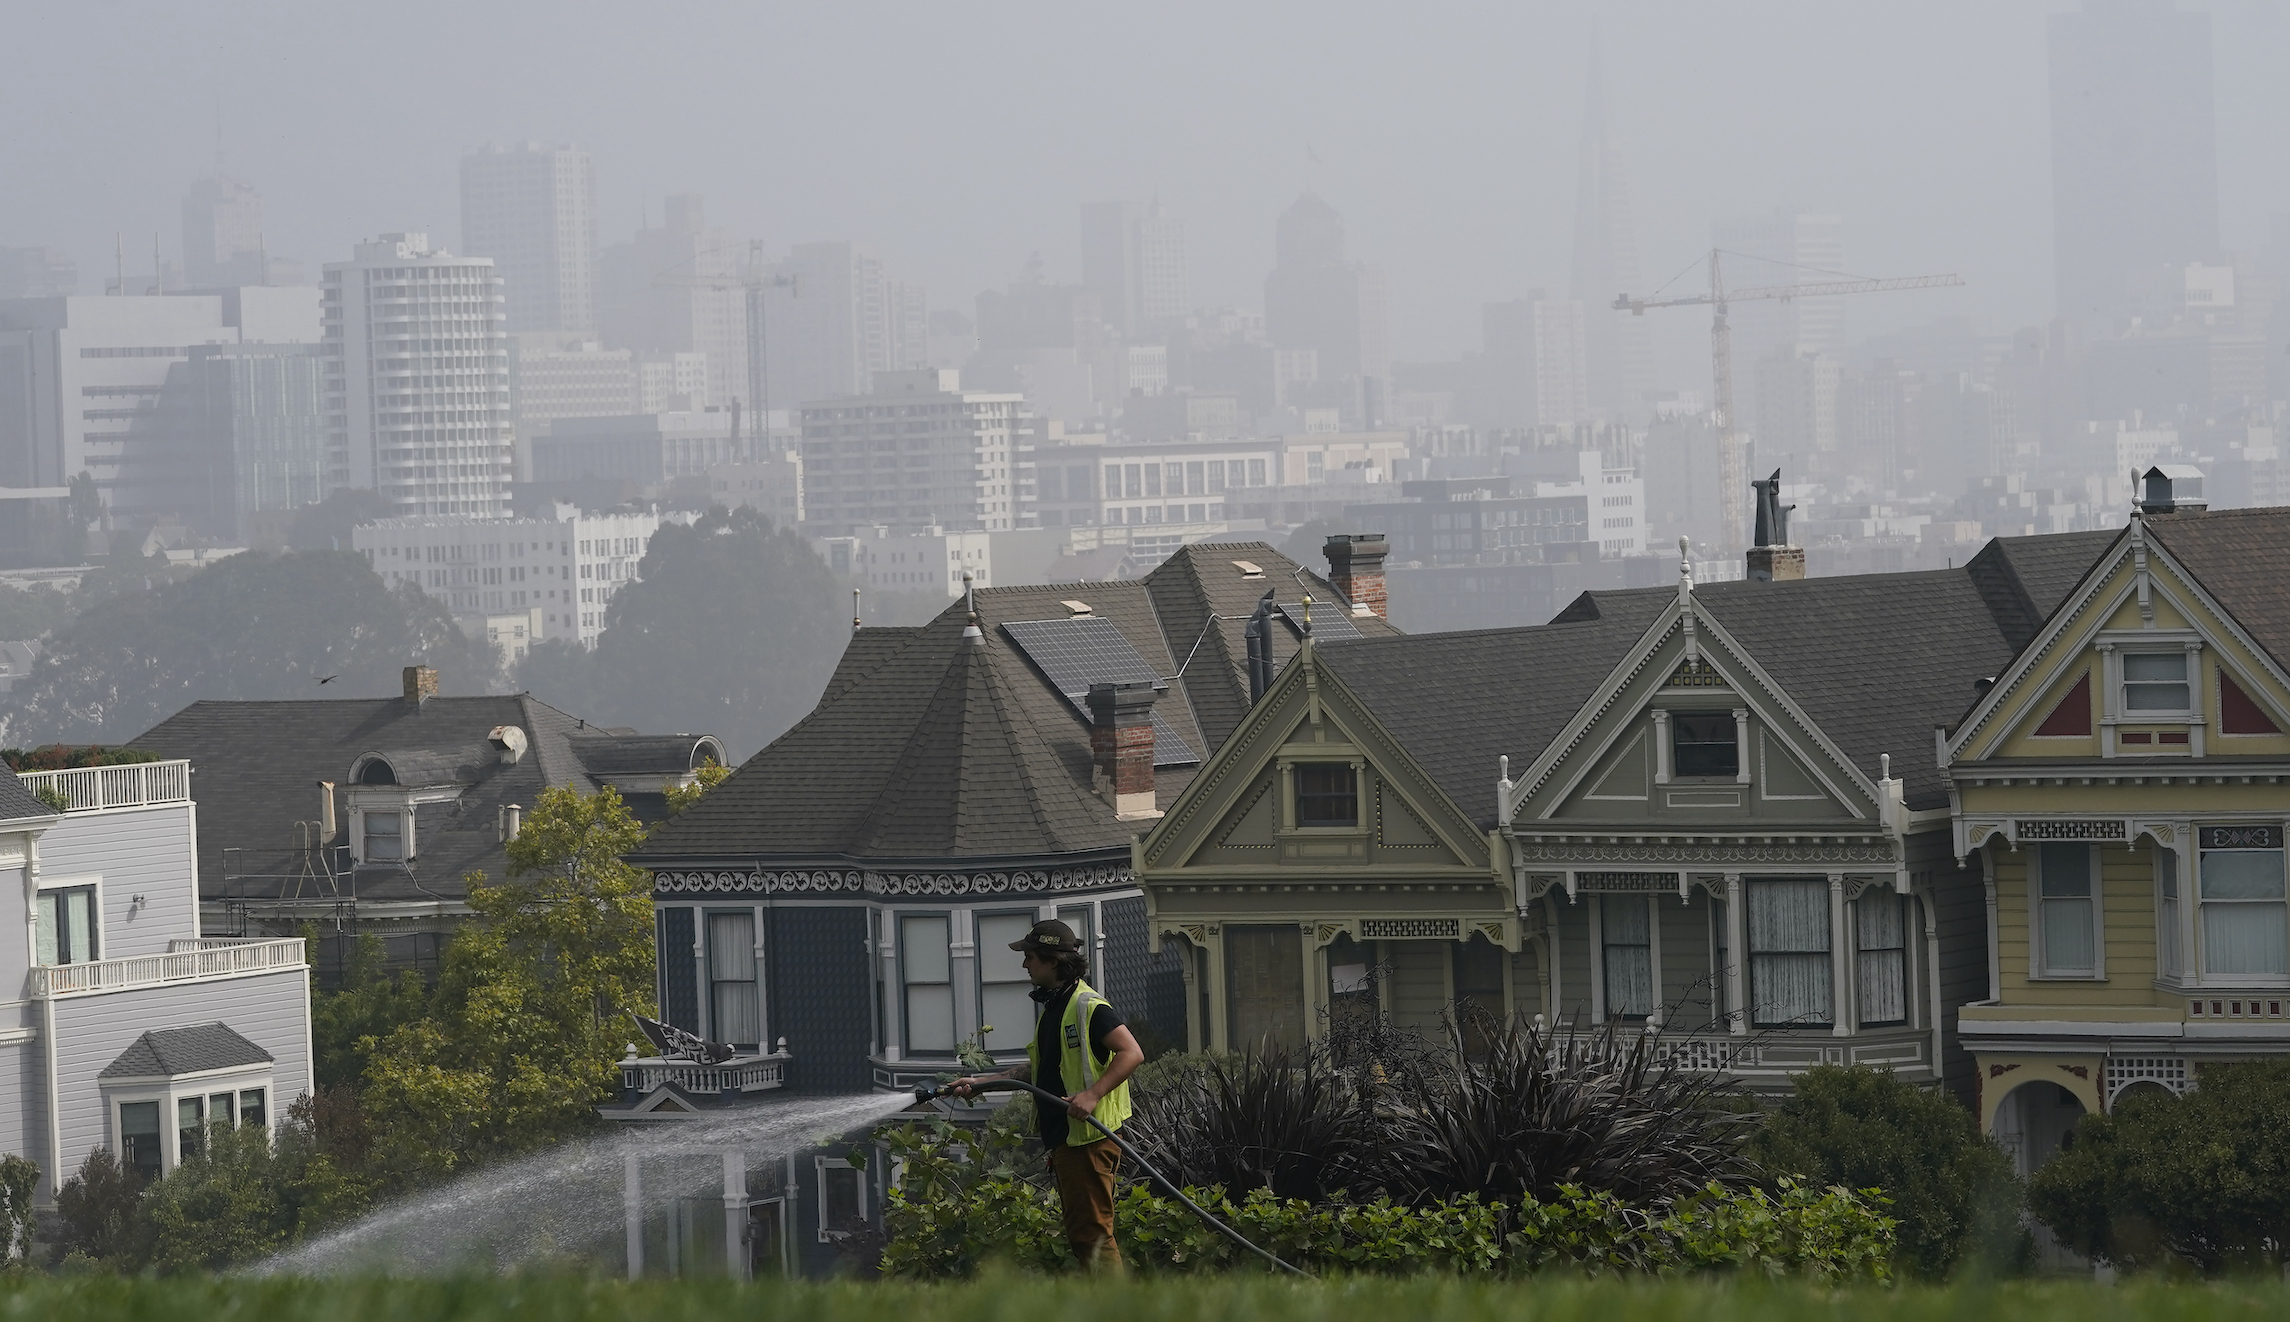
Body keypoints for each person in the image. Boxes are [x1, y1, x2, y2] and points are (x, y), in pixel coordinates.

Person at [949, 918, 1144, 1271]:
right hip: (1070, 1138)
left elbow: (1132, 1052)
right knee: (1083, 1234)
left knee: (1093, 1236)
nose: (1025, 965)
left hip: (1089, 1138)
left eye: (1031, 957)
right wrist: (981, 1082)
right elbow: (1039, 1073)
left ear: (1053, 960)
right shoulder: (1056, 1007)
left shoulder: (1088, 1006)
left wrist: (1092, 1095)